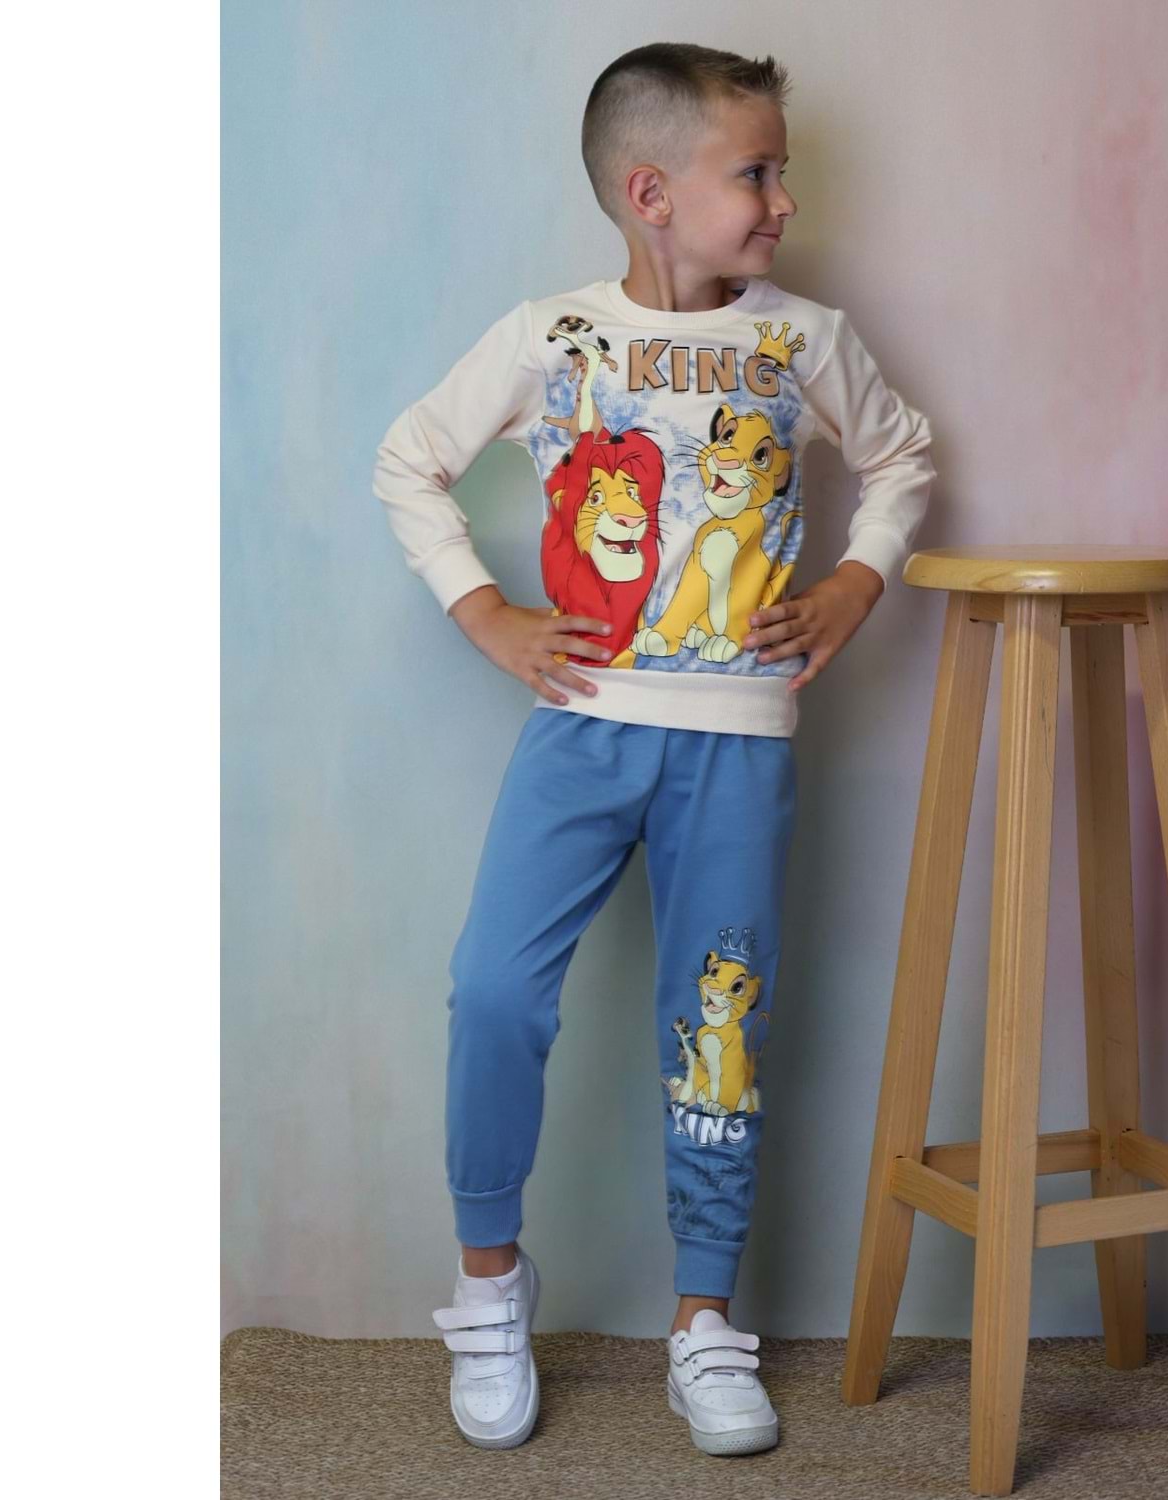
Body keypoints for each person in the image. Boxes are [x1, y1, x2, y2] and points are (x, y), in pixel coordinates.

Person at [372, 41, 935, 1458]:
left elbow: (903, 458)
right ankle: (488, 1285)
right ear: (651, 192)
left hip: (738, 748)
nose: (783, 202)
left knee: (717, 1031)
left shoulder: (805, 341)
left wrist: (856, 583)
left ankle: (704, 1320)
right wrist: (487, 612)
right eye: (756, 172)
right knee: (494, 992)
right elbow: (409, 460)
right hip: (581, 731)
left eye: (780, 172)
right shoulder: (552, 338)